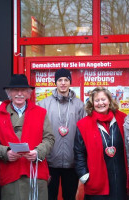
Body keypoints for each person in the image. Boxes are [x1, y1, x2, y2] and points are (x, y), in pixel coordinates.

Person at [0, 74, 55, 200]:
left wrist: (38, 152)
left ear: (28, 93)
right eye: (15, 90)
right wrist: (6, 153)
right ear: (9, 93)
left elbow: (49, 138)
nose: (19, 94)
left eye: (23, 90)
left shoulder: (41, 113)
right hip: (10, 175)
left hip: (35, 173)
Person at [74, 87, 129, 200]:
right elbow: (78, 152)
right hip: (96, 182)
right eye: (97, 100)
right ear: (92, 103)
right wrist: (84, 175)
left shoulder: (123, 119)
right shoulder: (83, 124)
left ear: (109, 100)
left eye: (103, 99)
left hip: (120, 180)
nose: (101, 103)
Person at [38, 68, 85, 200]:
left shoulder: (79, 105)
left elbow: (83, 134)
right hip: (49, 161)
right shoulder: (43, 104)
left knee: (69, 196)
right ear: (55, 82)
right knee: (49, 196)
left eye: (66, 80)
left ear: (70, 82)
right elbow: (38, 132)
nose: (63, 83)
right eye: (60, 80)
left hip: (72, 161)